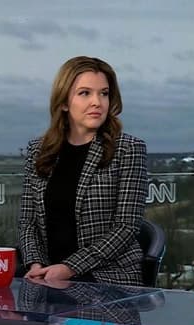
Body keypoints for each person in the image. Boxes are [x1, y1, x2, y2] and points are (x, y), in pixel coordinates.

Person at [18, 56, 148, 286]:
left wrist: (69, 268)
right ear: (64, 102)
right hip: (46, 274)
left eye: (104, 93)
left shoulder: (128, 149)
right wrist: (35, 264)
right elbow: (27, 221)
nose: (97, 102)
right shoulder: (38, 150)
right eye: (85, 93)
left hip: (107, 278)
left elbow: (126, 227)